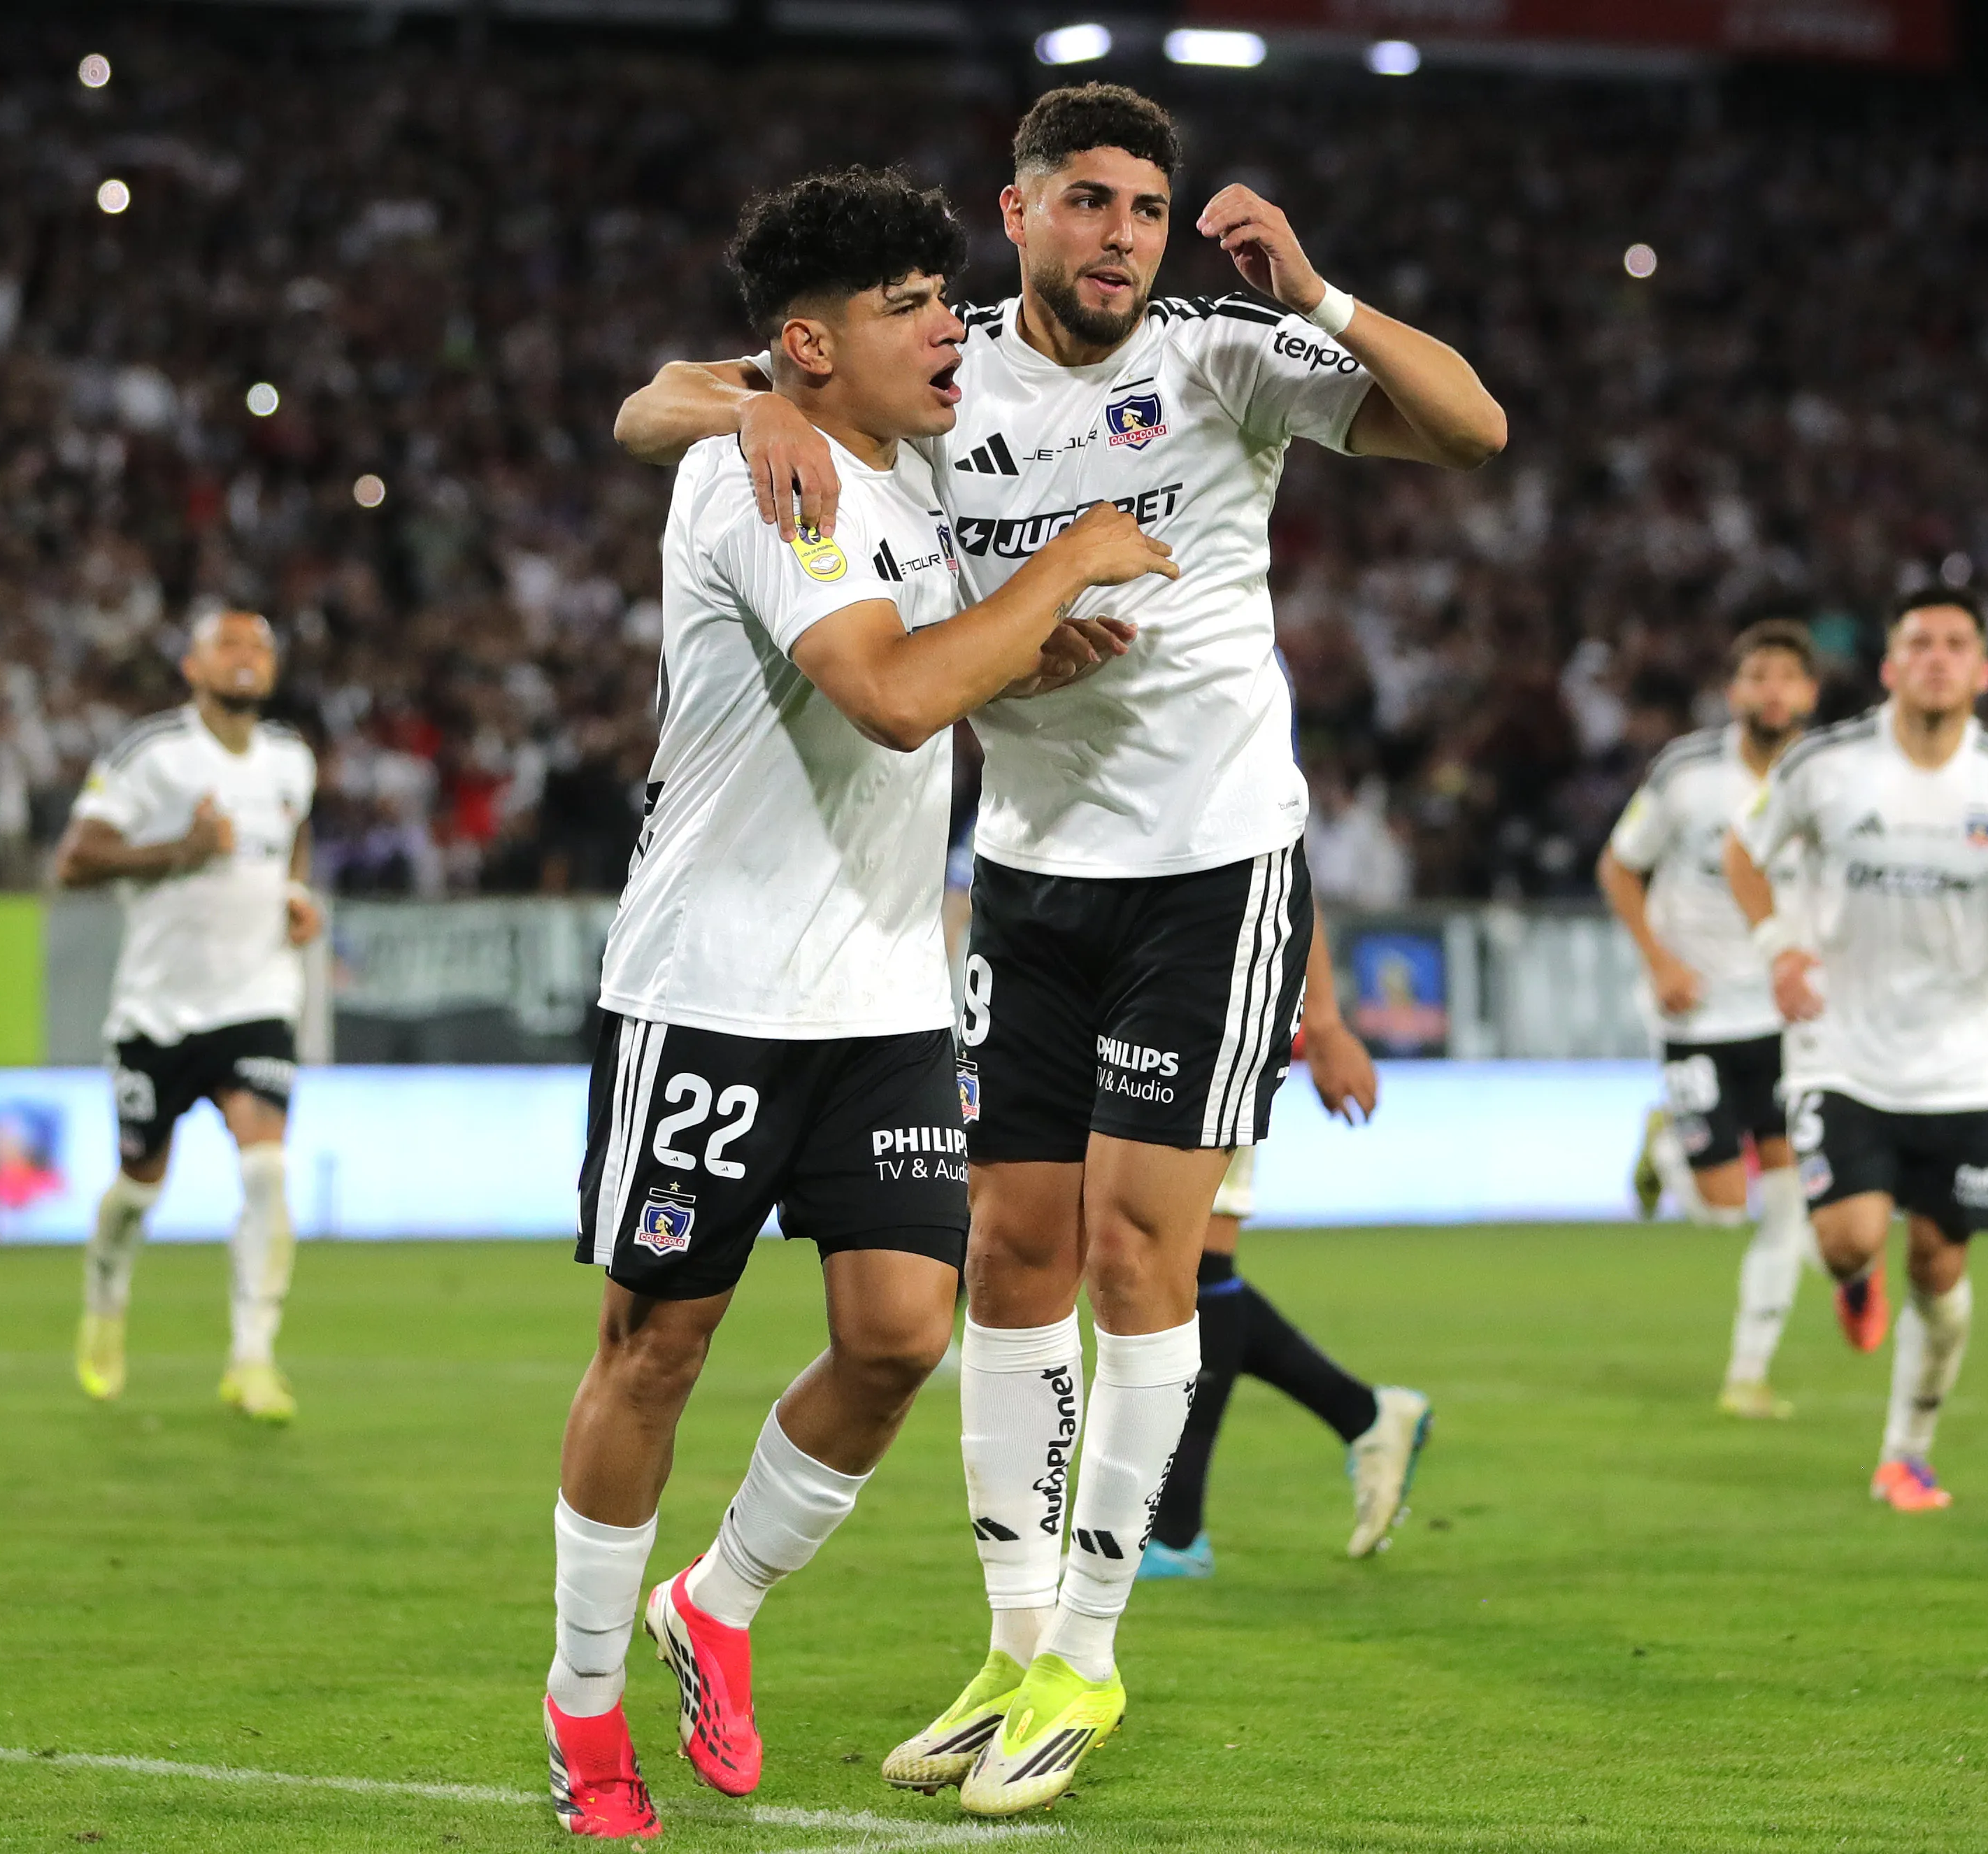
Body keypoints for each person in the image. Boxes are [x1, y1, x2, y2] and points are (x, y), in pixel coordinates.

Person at [618, 82, 1502, 1816]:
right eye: (1087, 202)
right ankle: (1015, 1637)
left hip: (1209, 869)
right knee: (1005, 1256)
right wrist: (747, 427)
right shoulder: (943, 376)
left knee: (1132, 1259)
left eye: (1146, 212)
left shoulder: (1227, 360)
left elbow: (1469, 428)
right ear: (1011, 212)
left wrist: (1314, 291)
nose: (1120, 237)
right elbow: (655, 396)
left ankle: (1090, 1647)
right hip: (1023, 873)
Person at [543, 166, 1173, 1840]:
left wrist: (1026, 653)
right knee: (655, 1345)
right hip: (711, 992)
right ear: (817, 342)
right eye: (911, 306)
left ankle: (718, 1602)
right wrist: (1069, 572)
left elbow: (919, 648)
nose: (950, 326)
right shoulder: (767, 485)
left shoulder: (893, 465)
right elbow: (893, 696)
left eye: (944, 297)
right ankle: (586, 1713)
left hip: (885, 995)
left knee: (899, 1334)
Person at [1724, 590, 1988, 1511]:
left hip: (1961, 1060)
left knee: (1939, 1263)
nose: (1936, 656)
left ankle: (1906, 1454)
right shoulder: (1827, 766)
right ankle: (1852, 1279)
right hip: (1840, 1045)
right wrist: (1778, 950)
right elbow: (1743, 851)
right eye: (1918, 641)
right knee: (1847, 1237)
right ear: (1888, 666)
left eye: (1956, 643)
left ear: (1983, 669)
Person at [50, 609, 322, 1422]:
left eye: (260, 646)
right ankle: (105, 1300)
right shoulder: (152, 755)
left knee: (266, 1169)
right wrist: (180, 850)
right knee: (139, 1187)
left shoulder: (291, 757)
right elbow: (74, 861)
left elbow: (295, 835)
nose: (247, 658)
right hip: (158, 1012)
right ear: (192, 666)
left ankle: (253, 1357)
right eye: (228, 645)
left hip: (257, 999)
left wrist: (298, 896)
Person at [1136, 908, 1430, 1581]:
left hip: (1217, 1008)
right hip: (1127, 996)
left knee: (1193, 1263)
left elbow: (1289, 859)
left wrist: (1322, 1023)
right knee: (1150, 1261)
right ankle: (1365, 1413)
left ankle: (1177, 1531)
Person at [1596, 619, 1820, 1418]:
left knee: (1793, 1202)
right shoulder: (1687, 774)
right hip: (1694, 1015)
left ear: (1809, 694)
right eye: (1757, 676)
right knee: (1724, 1210)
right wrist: (1659, 959)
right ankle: (1667, 1138)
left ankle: (1747, 1373)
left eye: (1786, 677)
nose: (1772, 691)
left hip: (1786, 1017)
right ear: (1734, 693)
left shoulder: (1824, 780)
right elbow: (1619, 866)